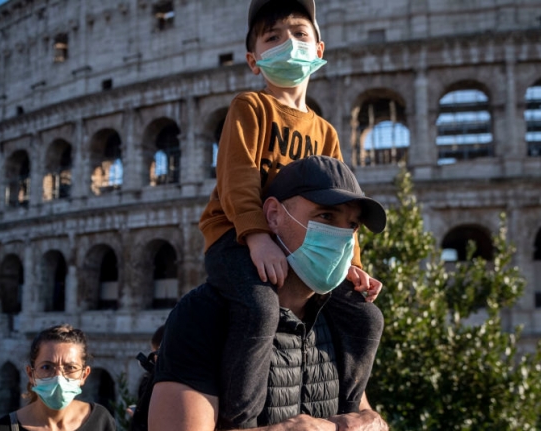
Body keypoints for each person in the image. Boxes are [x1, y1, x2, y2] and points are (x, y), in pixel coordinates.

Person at [198, 0, 385, 427]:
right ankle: (242, 420)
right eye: (273, 37)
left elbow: (343, 205)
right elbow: (237, 179)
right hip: (235, 235)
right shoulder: (250, 107)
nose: (289, 44)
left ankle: (351, 408)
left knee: (365, 316)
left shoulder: (325, 131)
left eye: (300, 34)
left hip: (299, 243)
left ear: (319, 50)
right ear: (253, 60)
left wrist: (352, 265)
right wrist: (257, 236)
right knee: (261, 307)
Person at [152, 156, 389, 430]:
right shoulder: (202, 316)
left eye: (352, 225)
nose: (342, 237)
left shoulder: (341, 319)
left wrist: (375, 422)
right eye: (326, 216)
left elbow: (363, 412)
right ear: (274, 215)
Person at [0, 324, 116, 431]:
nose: (58, 377)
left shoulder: (100, 420)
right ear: (31, 374)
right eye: (47, 367)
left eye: (70, 368)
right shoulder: (0, 429)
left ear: (84, 375)